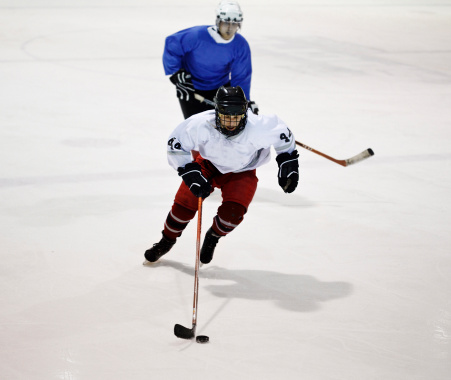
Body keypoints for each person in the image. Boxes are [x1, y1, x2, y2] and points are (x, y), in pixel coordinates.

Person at [144, 86, 298, 265]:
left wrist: (288, 161)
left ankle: (213, 236)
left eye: (236, 118)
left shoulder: (258, 126)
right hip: (208, 165)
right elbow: (176, 144)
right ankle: (166, 241)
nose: (231, 124)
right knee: (183, 207)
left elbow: (283, 134)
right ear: (217, 113)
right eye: (226, 118)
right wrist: (188, 170)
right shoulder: (201, 123)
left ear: (245, 114)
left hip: (242, 172)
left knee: (232, 214)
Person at [162, 1, 259, 120]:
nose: (229, 28)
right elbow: (173, 44)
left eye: (234, 24)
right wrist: (176, 72)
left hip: (220, 89)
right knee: (194, 126)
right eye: (226, 23)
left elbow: (241, 76)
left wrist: (243, 100)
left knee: (223, 128)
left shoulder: (240, 45)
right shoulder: (196, 35)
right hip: (190, 86)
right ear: (218, 21)